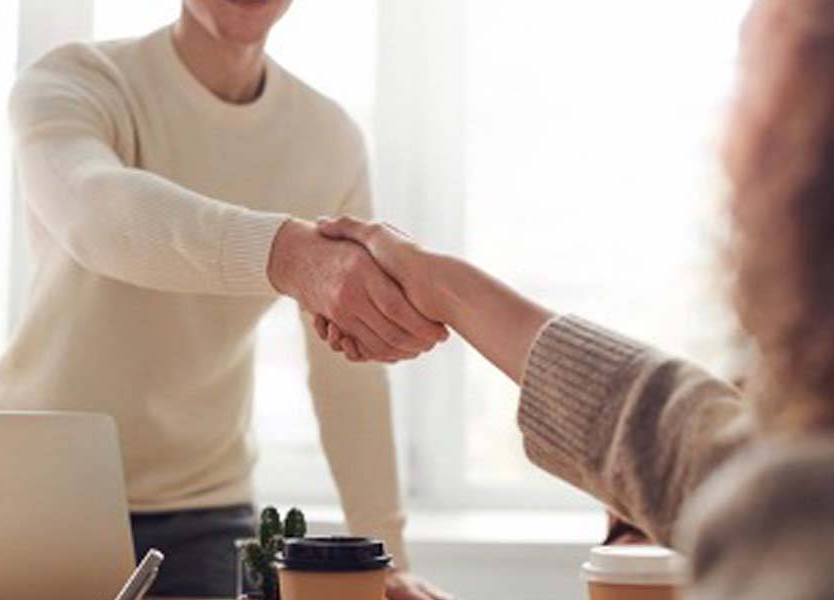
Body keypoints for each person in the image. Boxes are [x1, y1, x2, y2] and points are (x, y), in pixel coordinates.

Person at [314, 0, 834, 596]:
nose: (723, 143)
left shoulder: (801, 522)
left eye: (749, 84)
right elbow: (693, 445)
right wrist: (448, 289)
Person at [0, 0, 451, 597]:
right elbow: (95, 213)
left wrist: (388, 557)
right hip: (32, 492)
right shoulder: (76, 81)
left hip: (203, 513)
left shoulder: (327, 139)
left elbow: (348, 371)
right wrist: (289, 256)